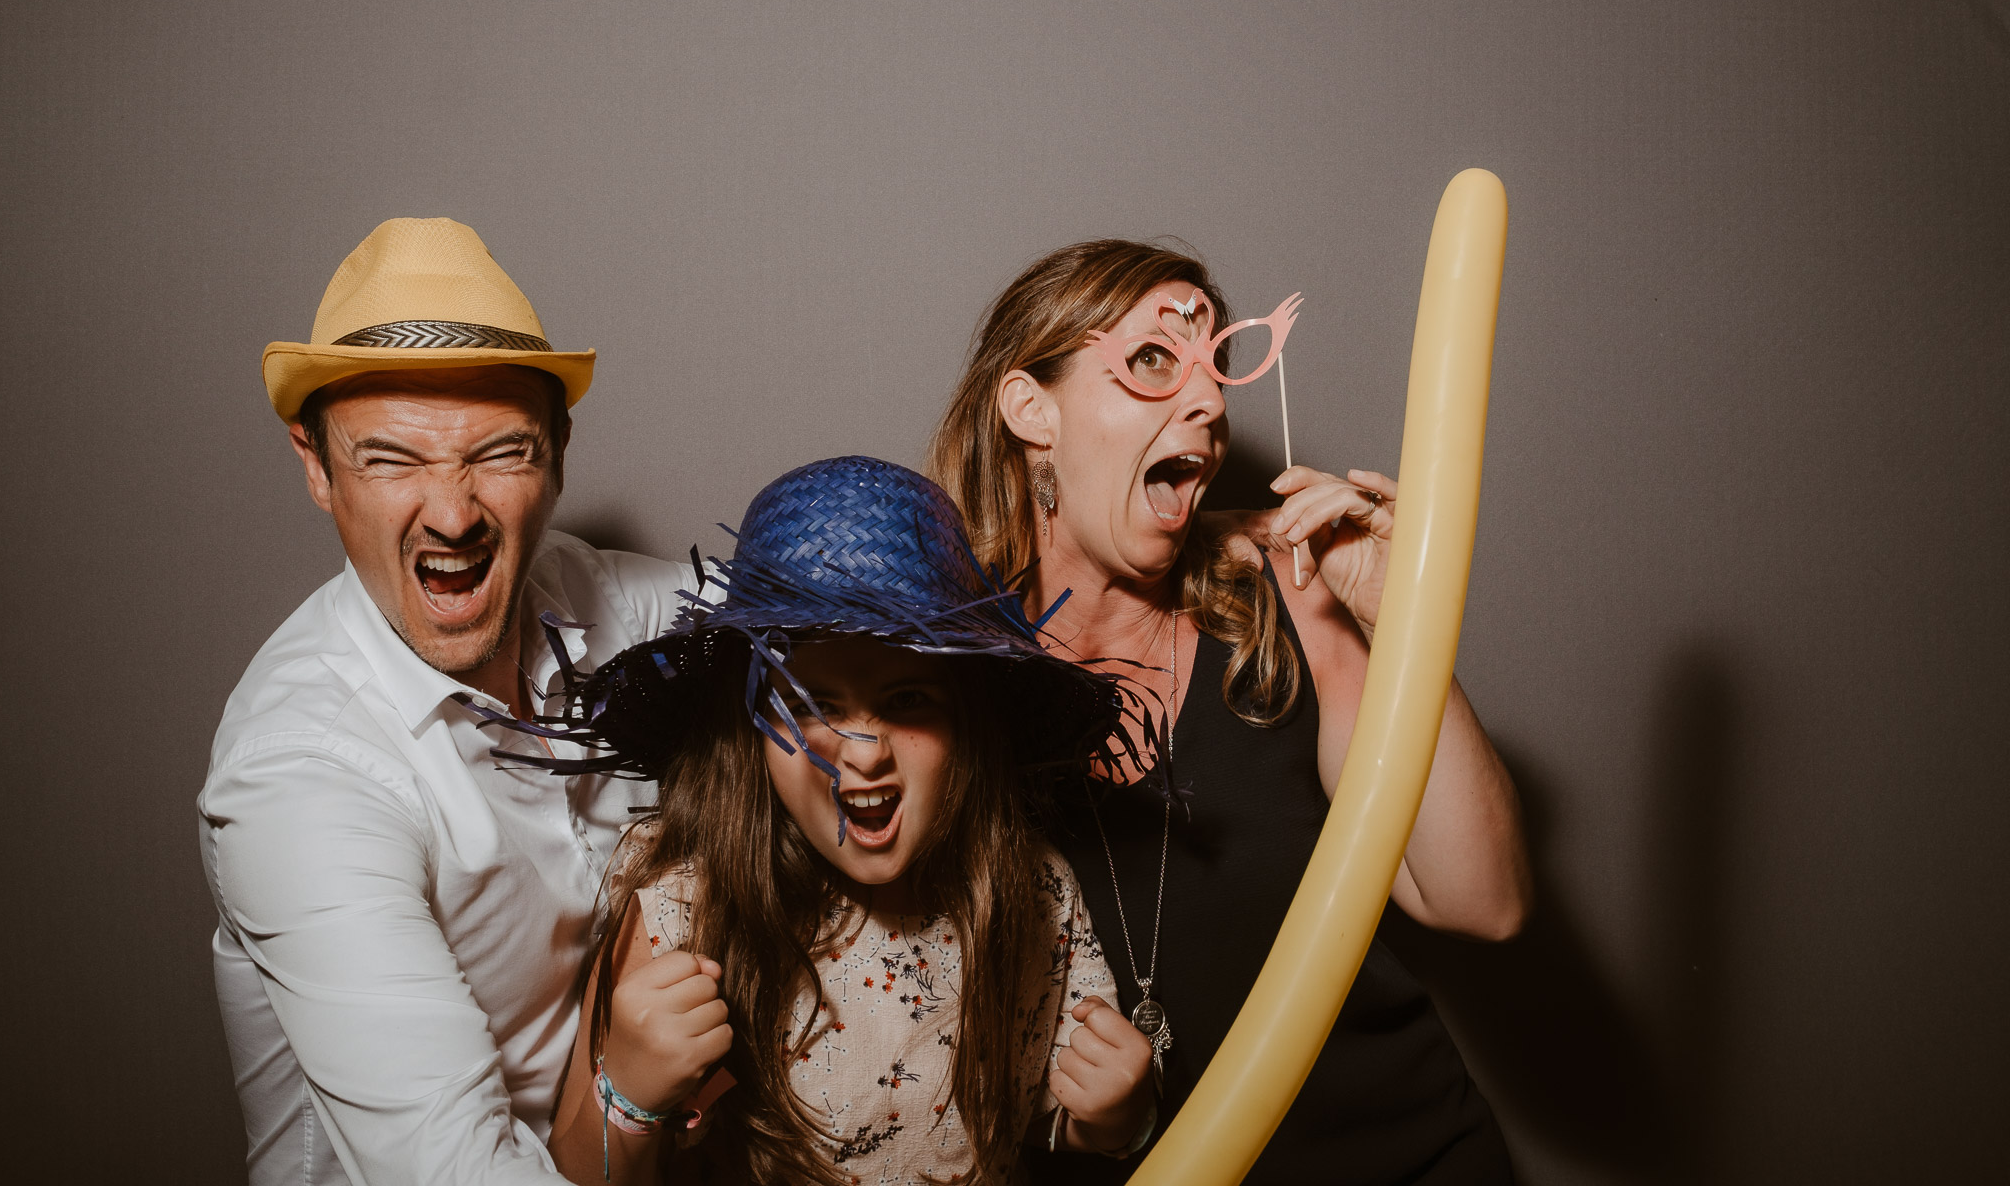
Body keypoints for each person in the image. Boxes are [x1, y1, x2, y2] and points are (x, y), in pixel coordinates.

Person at [929, 240, 1535, 1183]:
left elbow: (1482, 900)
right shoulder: (934, 679)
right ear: (1030, 408)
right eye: (1153, 361)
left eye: (1219, 367)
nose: (1209, 403)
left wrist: (1402, 622)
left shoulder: (1288, 604)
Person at [482, 456, 1158, 1185]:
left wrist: (1119, 1115)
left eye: (907, 700)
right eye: (810, 703)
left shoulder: (1032, 891)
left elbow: (1050, 1113)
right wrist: (632, 1097)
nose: (863, 753)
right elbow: (586, 1175)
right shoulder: (684, 913)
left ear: (969, 718)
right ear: (751, 725)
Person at [199, 217, 696, 1185]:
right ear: (314, 465)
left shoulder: (585, 593)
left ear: (555, 456)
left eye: (499, 451)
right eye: (390, 458)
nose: (454, 510)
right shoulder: (297, 778)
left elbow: (822, 608)